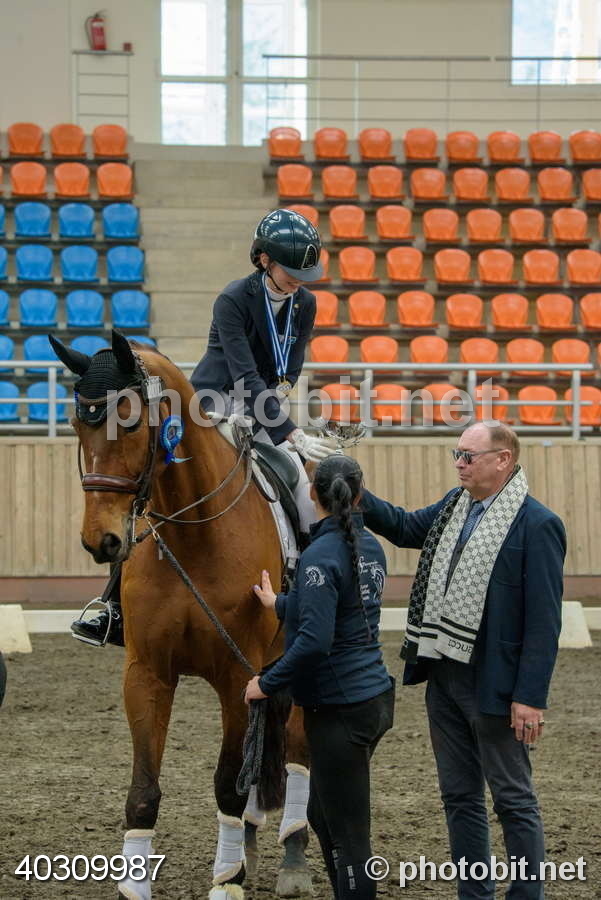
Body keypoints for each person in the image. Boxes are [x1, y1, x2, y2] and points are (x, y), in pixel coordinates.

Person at [71, 208, 335, 647]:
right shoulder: (234, 299)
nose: (299, 281)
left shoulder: (304, 303)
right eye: (292, 271)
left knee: (302, 487)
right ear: (264, 260)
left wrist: (279, 413)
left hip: (264, 405)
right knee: (160, 483)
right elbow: (242, 372)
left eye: (304, 274)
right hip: (210, 404)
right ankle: (112, 606)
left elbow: (290, 367)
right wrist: (290, 431)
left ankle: (309, 591)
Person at [360, 422, 566, 900]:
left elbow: (544, 622)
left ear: (503, 460)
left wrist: (530, 698)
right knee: (459, 796)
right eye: (457, 454)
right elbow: (404, 527)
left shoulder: (538, 524)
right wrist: (357, 493)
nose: (459, 463)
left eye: (469, 456)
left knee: (513, 799)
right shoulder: (454, 506)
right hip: (444, 672)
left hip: (497, 684)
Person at [245, 454, 395, 900]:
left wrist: (266, 683)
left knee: (348, 834)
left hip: (340, 710)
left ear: (312, 494)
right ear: (360, 495)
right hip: (371, 698)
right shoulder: (369, 547)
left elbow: (314, 641)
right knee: (321, 816)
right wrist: (279, 603)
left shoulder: (318, 555)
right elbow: (338, 605)